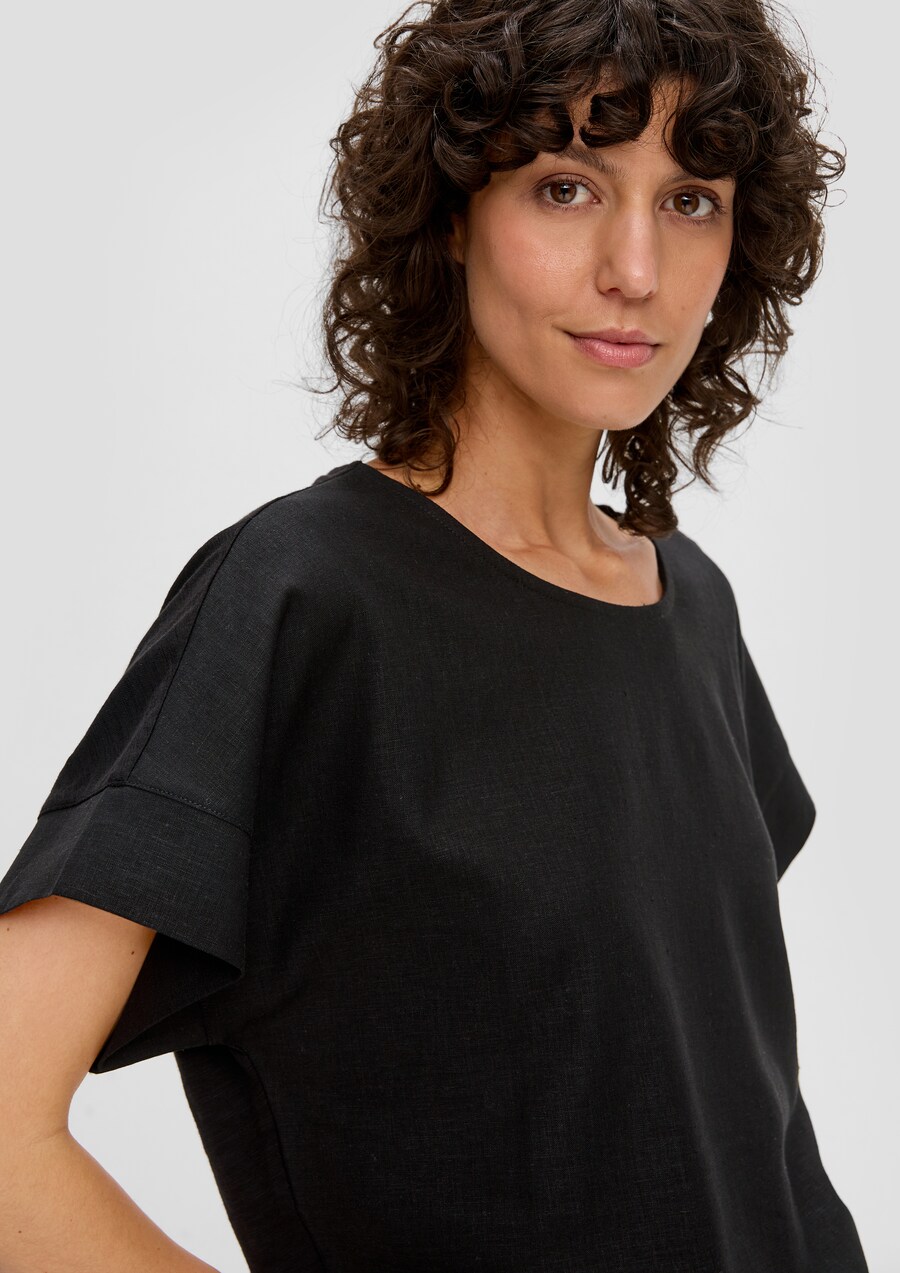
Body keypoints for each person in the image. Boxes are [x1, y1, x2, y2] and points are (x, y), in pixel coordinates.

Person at [0, 0, 867, 1270]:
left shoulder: (690, 606)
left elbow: (729, 1116)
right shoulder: (306, 597)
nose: (637, 269)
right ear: (453, 210)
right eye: (568, 187)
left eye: (693, 201)